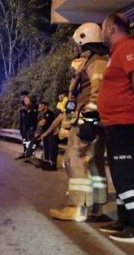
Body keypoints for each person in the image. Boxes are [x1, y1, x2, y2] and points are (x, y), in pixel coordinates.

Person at [50, 23, 109, 222]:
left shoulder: (96, 63)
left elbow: (98, 90)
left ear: (83, 41)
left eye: (78, 44)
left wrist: (88, 120)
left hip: (87, 122)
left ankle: (77, 207)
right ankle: (95, 207)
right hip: (91, 121)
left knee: (75, 161)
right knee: (94, 164)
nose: (77, 48)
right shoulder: (94, 61)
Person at [97, 12, 134, 243]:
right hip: (115, 124)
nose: (101, 32)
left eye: (103, 27)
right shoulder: (117, 52)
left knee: (126, 175)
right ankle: (124, 221)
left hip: (125, 124)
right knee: (121, 176)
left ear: (111, 28)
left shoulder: (127, 48)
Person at [34, 95, 68, 171]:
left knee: (51, 139)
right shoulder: (62, 115)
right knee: (49, 138)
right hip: (63, 135)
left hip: (72, 136)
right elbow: (54, 124)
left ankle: (52, 164)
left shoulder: (71, 113)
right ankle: (48, 162)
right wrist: (46, 133)